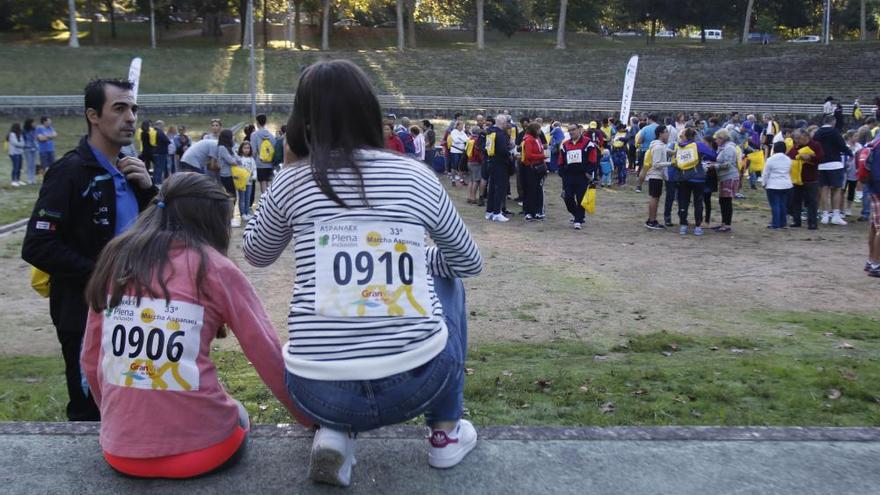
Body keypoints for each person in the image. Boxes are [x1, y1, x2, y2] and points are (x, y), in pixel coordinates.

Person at [242, 59, 482, 487]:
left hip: (317, 390)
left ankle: (336, 431)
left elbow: (256, 254)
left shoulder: (291, 181)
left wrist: (288, 172)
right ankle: (444, 431)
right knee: (449, 278)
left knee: (340, 331)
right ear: (370, 110)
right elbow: (469, 262)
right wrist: (425, 262)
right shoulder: (415, 176)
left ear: (303, 119)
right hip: (417, 380)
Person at [81, 173, 311, 479]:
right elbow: (266, 353)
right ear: (212, 223)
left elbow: (91, 355)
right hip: (204, 453)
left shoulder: (116, 259)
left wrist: (114, 419)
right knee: (238, 412)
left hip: (119, 452)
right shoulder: (215, 267)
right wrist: (308, 418)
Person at [21, 78, 156, 422]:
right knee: (90, 414)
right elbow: (38, 245)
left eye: (133, 109)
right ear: (93, 116)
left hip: (133, 316)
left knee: (131, 408)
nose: (130, 117)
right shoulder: (68, 172)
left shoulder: (131, 171)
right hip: (82, 315)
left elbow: (153, 239)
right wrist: (102, 274)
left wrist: (148, 192)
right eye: (120, 108)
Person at [814, 116, 853, 226]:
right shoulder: (835, 132)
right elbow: (842, 146)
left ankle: (825, 215)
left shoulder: (817, 133)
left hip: (821, 165)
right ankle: (835, 214)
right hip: (835, 164)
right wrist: (850, 154)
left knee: (824, 190)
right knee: (836, 190)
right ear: (833, 122)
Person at [559, 123, 598, 230]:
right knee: (568, 197)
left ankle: (578, 220)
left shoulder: (588, 143)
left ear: (579, 130)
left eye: (573, 129)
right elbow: (561, 159)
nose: (571, 132)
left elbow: (593, 158)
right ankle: (577, 214)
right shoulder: (565, 144)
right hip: (568, 175)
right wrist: (561, 171)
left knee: (581, 198)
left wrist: (589, 171)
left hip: (582, 176)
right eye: (569, 130)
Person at [674, 128, 711, 236]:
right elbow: (712, 154)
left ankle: (683, 225)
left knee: (683, 201)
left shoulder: (679, 146)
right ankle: (698, 227)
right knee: (698, 202)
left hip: (683, 177)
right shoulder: (698, 145)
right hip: (698, 177)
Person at [787, 128, 824, 229]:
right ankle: (796, 220)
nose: (798, 140)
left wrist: (810, 158)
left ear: (806, 136)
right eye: (796, 138)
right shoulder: (796, 146)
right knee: (796, 200)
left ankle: (812, 223)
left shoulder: (815, 145)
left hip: (811, 178)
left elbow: (820, 158)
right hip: (797, 178)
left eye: (799, 138)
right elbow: (790, 156)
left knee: (812, 201)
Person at [709, 130, 740, 233]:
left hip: (729, 177)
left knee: (726, 201)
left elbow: (727, 164)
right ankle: (723, 223)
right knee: (723, 201)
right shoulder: (723, 148)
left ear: (722, 138)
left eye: (717, 138)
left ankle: (727, 224)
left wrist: (714, 165)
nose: (716, 140)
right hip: (724, 177)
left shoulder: (729, 148)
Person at [644, 125, 672, 230]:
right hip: (655, 175)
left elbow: (667, 151)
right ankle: (651, 221)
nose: (667, 134)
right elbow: (656, 163)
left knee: (655, 197)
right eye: (666, 132)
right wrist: (671, 163)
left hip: (657, 175)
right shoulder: (658, 146)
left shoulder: (660, 145)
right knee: (654, 198)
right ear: (660, 134)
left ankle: (652, 219)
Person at [485, 114, 512, 222]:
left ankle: (489, 211)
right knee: (499, 188)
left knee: (492, 188)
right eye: (506, 122)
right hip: (500, 164)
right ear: (503, 123)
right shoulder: (500, 134)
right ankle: (497, 212)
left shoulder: (490, 132)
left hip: (491, 162)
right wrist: (510, 152)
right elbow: (503, 151)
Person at [762, 141, 793, 229]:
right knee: (783, 204)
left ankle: (775, 223)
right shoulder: (788, 159)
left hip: (773, 185)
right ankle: (783, 223)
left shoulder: (770, 159)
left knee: (775, 204)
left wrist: (764, 183)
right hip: (786, 184)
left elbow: (765, 173)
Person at [521, 122, 547, 221]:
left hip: (538, 167)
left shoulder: (537, 139)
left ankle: (537, 211)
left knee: (537, 190)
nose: (540, 131)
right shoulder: (529, 140)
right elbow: (529, 155)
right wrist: (542, 156)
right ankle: (529, 211)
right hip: (531, 168)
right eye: (538, 129)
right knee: (531, 190)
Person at [251, 114, 275, 196]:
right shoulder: (271, 135)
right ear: (265, 122)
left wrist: (252, 163)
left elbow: (253, 151)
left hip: (260, 162)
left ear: (257, 122)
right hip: (270, 163)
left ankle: (264, 202)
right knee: (269, 183)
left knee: (263, 183)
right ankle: (269, 200)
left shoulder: (254, 135)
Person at [237, 140, 257, 221]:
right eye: (244, 148)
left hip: (250, 182)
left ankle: (247, 212)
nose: (246, 150)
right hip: (242, 182)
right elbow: (237, 170)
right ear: (241, 149)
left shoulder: (251, 159)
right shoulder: (239, 159)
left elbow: (254, 168)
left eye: (248, 148)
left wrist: (254, 176)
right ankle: (242, 214)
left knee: (248, 198)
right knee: (242, 198)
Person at [465, 126, 484, 204]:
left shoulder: (470, 139)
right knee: (476, 180)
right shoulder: (476, 140)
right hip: (476, 162)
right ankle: (473, 198)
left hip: (469, 161)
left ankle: (469, 197)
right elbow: (477, 153)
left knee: (471, 180)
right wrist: (482, 160)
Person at [152, 120, 171, 185]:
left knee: (156, 167)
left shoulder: (152, 131)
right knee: (160, 167)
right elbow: (167, 141)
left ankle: (155, 181)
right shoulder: (160, 132)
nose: (163, 127)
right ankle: (158, 182)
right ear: (159, 125)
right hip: (161, 152)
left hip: (154, 151)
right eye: (163, 125)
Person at [22, 118, 38, 185]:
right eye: (33, 122)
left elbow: (35, 138)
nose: (34, 124)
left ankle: (33, 179)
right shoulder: (24, 131)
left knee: (33, 165)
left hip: (34, 149)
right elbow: (24, 140)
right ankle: (29, 179)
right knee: (29, 164)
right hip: (27, 149)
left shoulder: (34, 130)